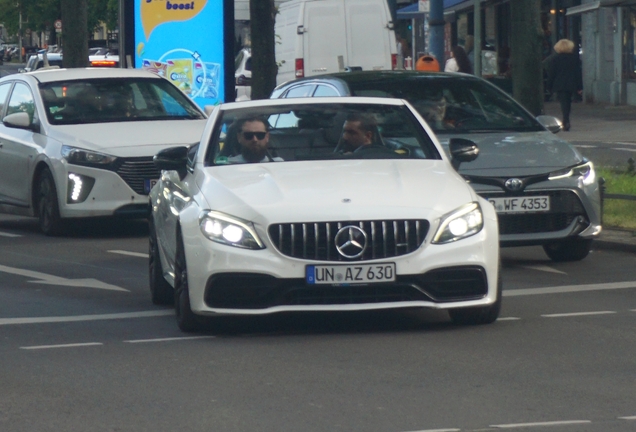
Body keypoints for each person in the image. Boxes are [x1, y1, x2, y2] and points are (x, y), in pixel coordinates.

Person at [546, 39, 582, 131]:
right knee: (568, 101)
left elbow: (552, 73)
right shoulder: (574, 58)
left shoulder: (554, 58)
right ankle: (566, 119)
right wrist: (579, 86)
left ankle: (565, 120)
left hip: (559, 83)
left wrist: (549, 85)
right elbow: (578, 73)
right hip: (571, 83)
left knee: (563, 101)